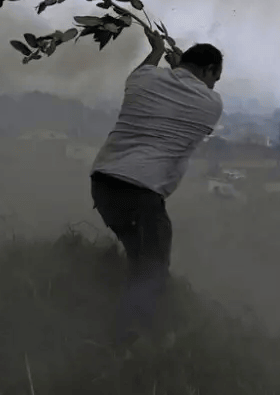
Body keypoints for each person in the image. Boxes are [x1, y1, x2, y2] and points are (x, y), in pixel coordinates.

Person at [90, 24, 223, 347]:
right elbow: (187, 95)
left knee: (140, 259)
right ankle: (128, 340)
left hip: (103, 183)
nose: (213, 84)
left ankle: (135, 323)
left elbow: (152, 77)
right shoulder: (211, 104)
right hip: (141, 192)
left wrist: (157, 51)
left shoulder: (142, 79)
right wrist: (179, 69)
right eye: (214, 78)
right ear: (208, 70)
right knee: (153, 269)